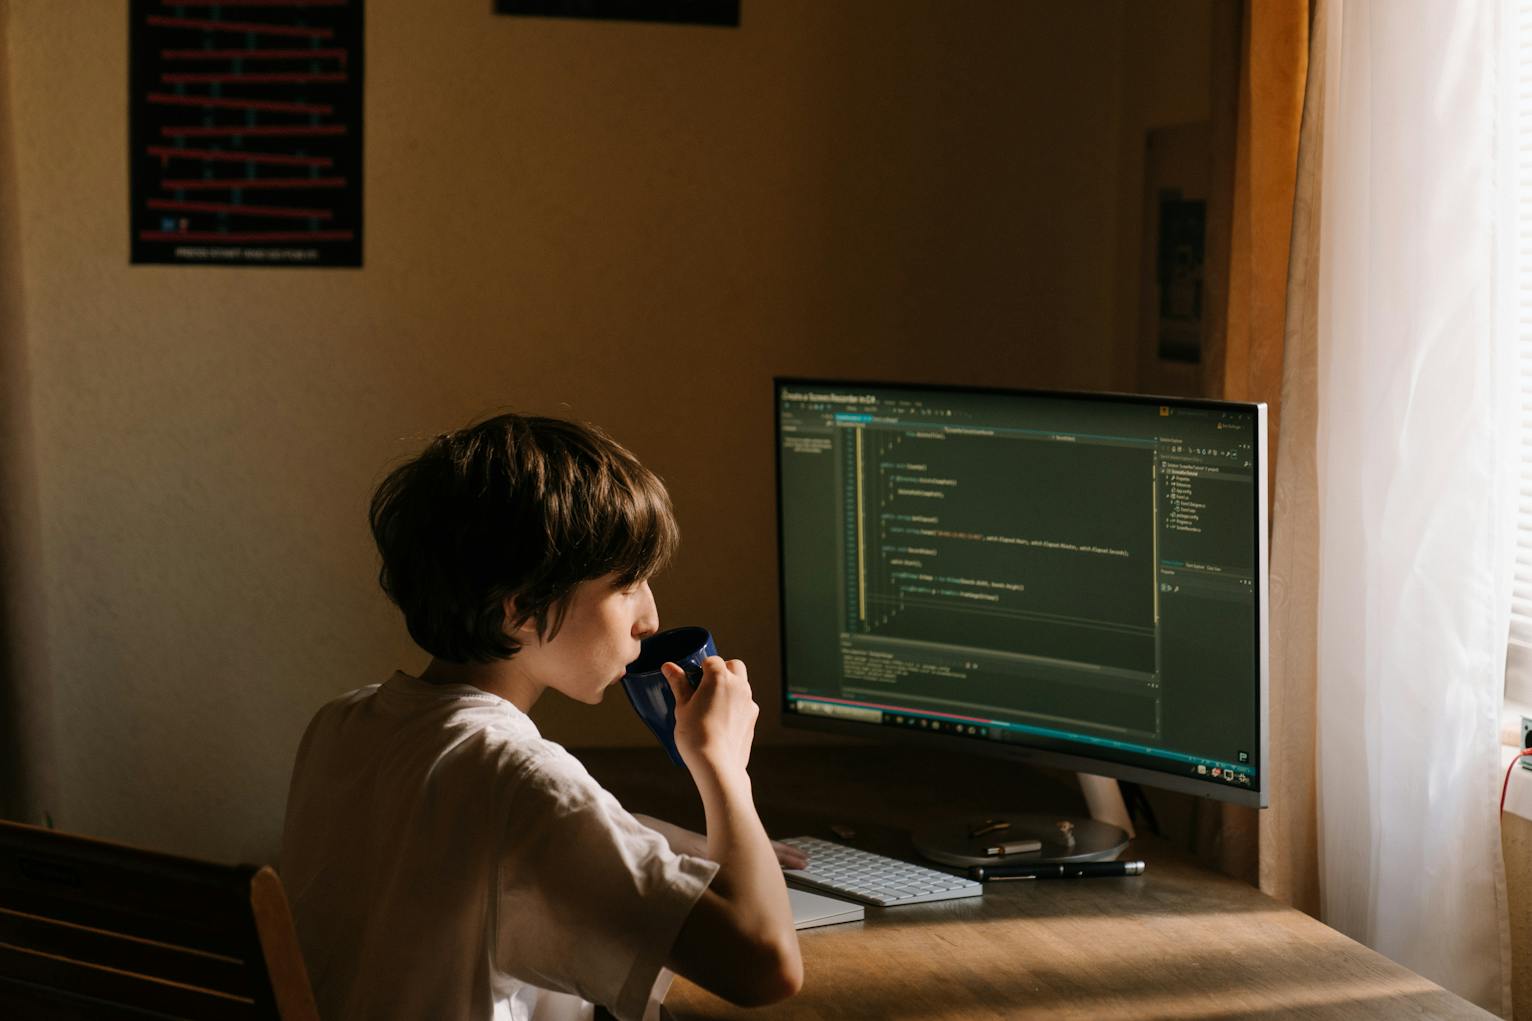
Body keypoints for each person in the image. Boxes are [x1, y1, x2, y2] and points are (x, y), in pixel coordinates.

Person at [280, 413, 804, 1020]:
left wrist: (647, 834)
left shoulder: (343, 724)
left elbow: (463, 834)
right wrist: (724, 770)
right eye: (628, 584)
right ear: (522, 610)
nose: (651, 619)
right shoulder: (521, 782)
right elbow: (765, 966)